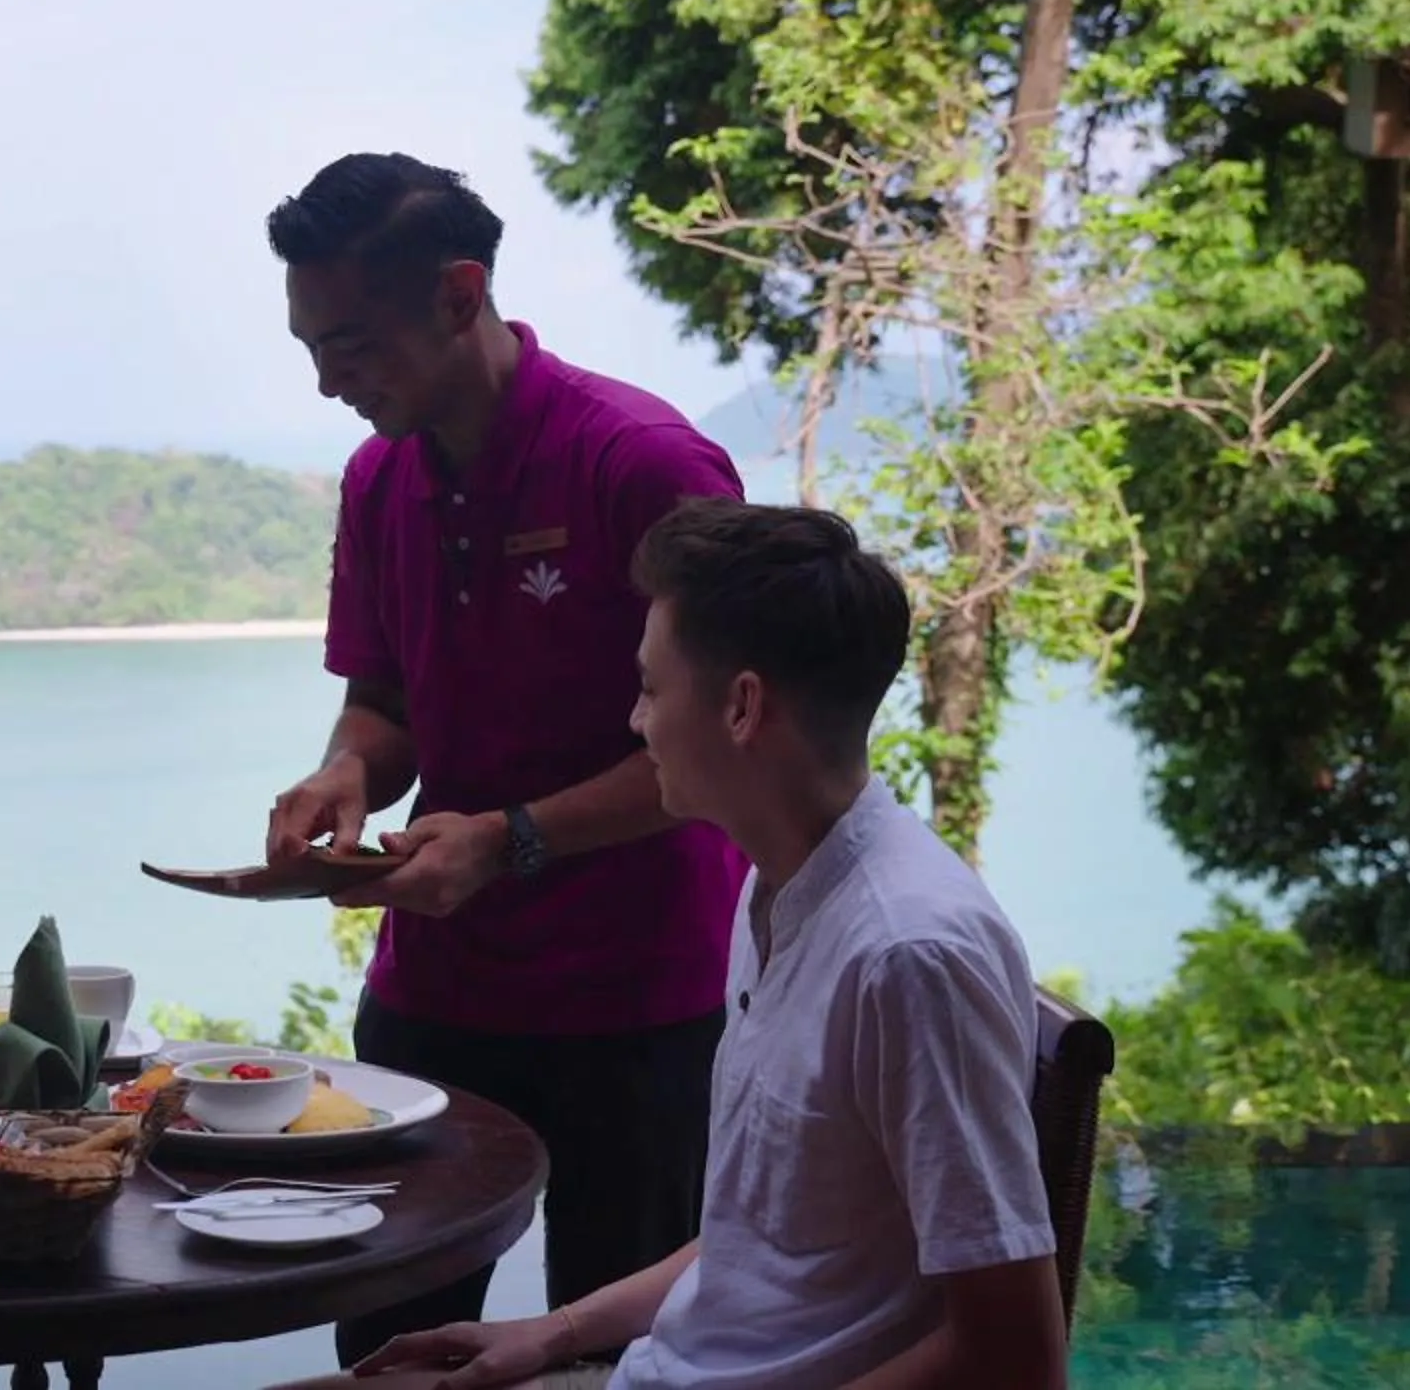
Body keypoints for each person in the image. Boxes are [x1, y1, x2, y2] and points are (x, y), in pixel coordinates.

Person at [277, 500, 1066, 1389]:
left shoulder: (908, 954)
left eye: (652, 688)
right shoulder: (781, 888)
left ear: (741, 707)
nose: (636, 720)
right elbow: (759, 1237)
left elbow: (1016, 1357)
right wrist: (550, 1332)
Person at [261, 153, 749, 1366]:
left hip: (639, 1003)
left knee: (625, 1350)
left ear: (461, 292)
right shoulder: (381, 477)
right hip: (435, 998)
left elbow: (731, 745)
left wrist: (510, 837)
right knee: (393, 1346)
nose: (328, 381)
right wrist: (348, 776)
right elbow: (386, 700)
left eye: (354, 344)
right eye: (309, 347)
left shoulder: (641, 463)